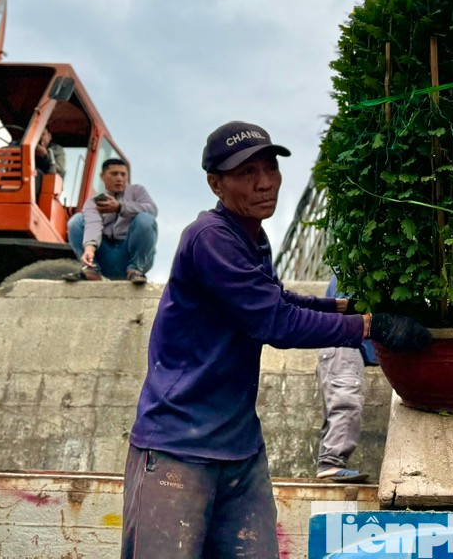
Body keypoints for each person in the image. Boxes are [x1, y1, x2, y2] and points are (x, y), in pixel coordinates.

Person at [121, 121, 430, 558]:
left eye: (270, 168)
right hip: (178, 448)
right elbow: (276, 321)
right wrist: (369, 326)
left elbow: (278, 296)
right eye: (247, 173)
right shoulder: (210, 238)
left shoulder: (251, 236)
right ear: (216, 183)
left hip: (239, 448)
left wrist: (349, 307)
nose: (265, 183)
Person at [315, 274, 370, 483]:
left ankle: (329, 462)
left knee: (336, 405)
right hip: (343, 345)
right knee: (345, 403)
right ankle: (331, 464)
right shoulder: (351, 277)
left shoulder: (344, 274)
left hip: (335, 347)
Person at [66, 158, 158, 284]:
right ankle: (91, 270)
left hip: (129, 255)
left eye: (123, 174)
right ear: (102, 176)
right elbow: (92, 224)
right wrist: (89, 250)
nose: (119, 178)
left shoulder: (137, 191)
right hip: (106, 256)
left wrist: (121, 207)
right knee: (76, 220)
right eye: (114, 174)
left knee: (146, 219)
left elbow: (152, 210)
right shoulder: (95, 201)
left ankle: (135, 269)